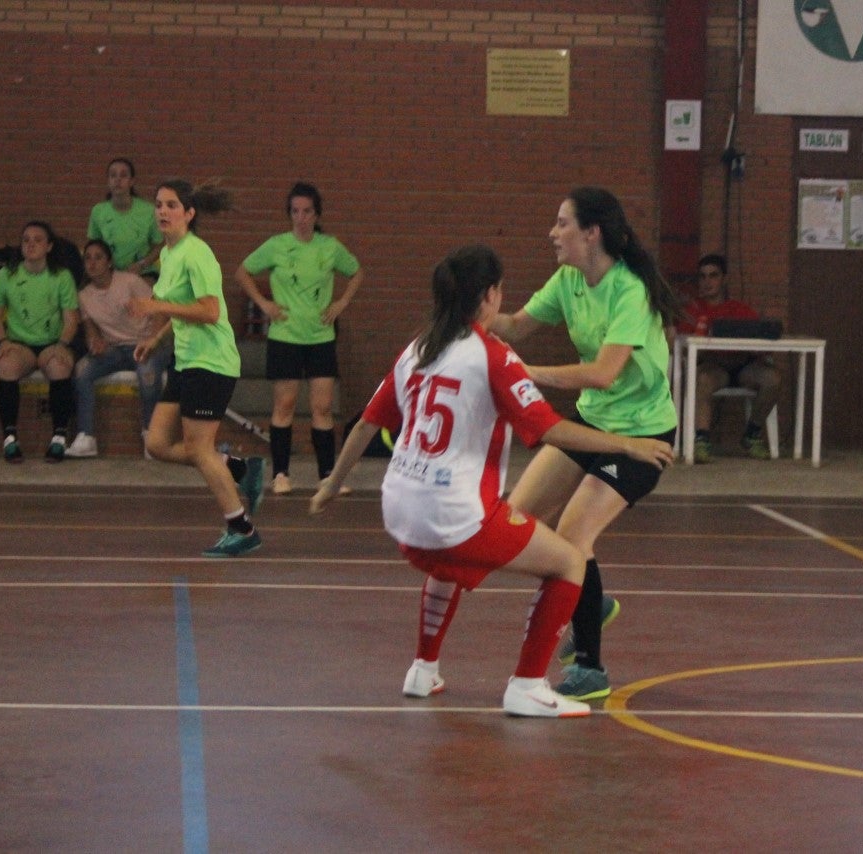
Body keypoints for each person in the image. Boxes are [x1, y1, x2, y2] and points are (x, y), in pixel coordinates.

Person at [310, 244, 674, 717]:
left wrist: (332, 483)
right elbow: (549, 429)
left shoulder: (418, 348)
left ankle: (422, 669)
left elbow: (362, 424)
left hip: (399, 515)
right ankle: (527, 686)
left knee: (452, 562)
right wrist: (629, 445)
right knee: (568, 561)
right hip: (454, 518)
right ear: (489, 297)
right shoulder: (493, 357)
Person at [486, 187, 679, 701]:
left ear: (591, 233)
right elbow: (516, 326)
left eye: (562, 223)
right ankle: (590, 601)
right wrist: (474, 313)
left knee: (572, 536)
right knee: (511, 520)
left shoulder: (629, 291)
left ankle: (591, 668)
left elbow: (602, 372)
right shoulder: (569, 279)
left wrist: (524, 375)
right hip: (593, 424)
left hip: (642, 436)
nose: (553, 233)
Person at [129, 179, 265, 558]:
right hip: (186, 360)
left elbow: (209, 311)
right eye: (158, 204)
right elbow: (182, 307)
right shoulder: (167, 256)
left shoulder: (197, 253)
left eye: (171, 205)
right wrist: (156, 340)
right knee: (156, 443)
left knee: (199, 448)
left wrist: (156, 308)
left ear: (189, 214)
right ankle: (238, 468)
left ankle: (242, 528)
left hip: (213, 361)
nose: (162, 211)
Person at [235, 182, 364, 495]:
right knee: (285, 405)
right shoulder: (277, 245)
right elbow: (243, 271)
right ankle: (280, 473)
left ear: (316, 214)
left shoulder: (329, 246)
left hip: (320, 337)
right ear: (289, 214)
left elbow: (357, 271)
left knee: (322, 408)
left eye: (307, 211)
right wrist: (264, 304)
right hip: (285, 337)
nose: (301, 217)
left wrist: (341, 303)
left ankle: (327, 475)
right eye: (295, 211)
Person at [64, 239, 172, 458]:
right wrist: (95, 343)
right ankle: (86, 437)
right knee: (82, 371)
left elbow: (159, 309)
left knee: (147, 374)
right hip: (116, 349)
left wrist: (153, 340)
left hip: (147, 342)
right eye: (88, 258)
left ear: (109, 262)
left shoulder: (129, 281)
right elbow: (90, 328)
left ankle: (151, 437)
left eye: (98, 258)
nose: (92, 263)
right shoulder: (84, 295)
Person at [0, 221, 80, 463]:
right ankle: (9, 438)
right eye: (26, 239)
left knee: (60, 365)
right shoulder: (6, 275)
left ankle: (59, 438)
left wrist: (62, 344)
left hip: (52, 343)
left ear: (49, 246)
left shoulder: (61, 276)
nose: (31, 244)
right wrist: (3, 341)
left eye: (38, 240)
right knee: (6, 365)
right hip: (20, 344)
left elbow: (71, 318)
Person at [677, 253, 781, 461]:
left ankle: (752, 435)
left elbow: (762, 340)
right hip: (713, 368)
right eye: (703, 277)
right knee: (703, 380)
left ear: (724, 279)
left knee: (773, 379)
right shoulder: (692, 310)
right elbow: (682, 345)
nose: (707, 282)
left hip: (743, 367)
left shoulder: (740, 309)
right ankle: (702, 442)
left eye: (713, 276)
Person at [86, 157, 163, 276]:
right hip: (108, 274)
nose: (118, 179)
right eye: (113, 175)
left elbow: (160, 245)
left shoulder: (149, 211)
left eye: (123, 175)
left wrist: (142, 264)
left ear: (132, 181)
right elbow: (93, 247)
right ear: (108, 181)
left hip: (143, 272)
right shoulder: (98, 211)